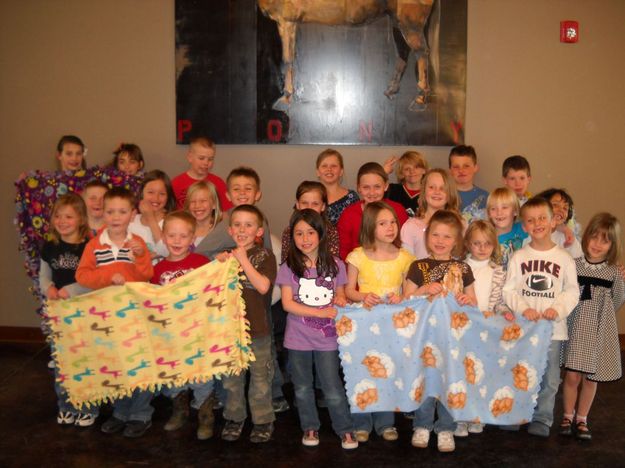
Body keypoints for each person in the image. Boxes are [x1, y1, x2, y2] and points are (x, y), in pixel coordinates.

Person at [76, 187, 154, 438]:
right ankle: (120, 411)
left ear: (132, 214)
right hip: (107, 315)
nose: (116, 216)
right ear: (103, 213)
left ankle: (140, 413)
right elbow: (82, 275)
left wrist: (141, 258)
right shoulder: (94, 245)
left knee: (139, 363)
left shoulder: (137, 243)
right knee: (117, 363)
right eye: (110, 211)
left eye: (122, 211)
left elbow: (146, 276)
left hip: (134, 314)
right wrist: (109, 275)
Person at [276, 209, 358, 450]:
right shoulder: (289, 266)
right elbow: (287, 304)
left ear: (321, 235)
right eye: (299, 233)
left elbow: (340, 294)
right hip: (297, 338)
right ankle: (309, 426)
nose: (305, 238)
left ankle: (345, 429)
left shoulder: (335, 264)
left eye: (310, 232)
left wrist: (341, 301)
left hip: (328, 338)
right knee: (302, 387)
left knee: (332, 386)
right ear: (292, 238)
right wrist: (320, 312)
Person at [502, 197, 579, 438]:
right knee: (521, 372)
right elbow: (508, 290)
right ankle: (516, 414)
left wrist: (557, 309)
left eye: (542, 218)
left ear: (553, 221)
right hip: (525, 328)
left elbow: (572, 290)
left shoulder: (564, 258)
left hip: (552, 330)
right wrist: (524, 309)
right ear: (523, 226)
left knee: (549, 377)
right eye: (531, 220)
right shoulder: (519, 257)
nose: (537, 224)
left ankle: (543, 418)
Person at [403, 210, 477, 453]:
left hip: (453, 336)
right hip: (425, 335)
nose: (440, 240)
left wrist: (466, 300)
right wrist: (423, 288)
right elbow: (406, 301)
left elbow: (473, 302)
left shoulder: (463, 268)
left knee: (450, 379)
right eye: (435, 234)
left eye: (447, 236)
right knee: (426, 379)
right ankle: (422, 424)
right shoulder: (417, 266)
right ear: (427, 237)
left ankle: (446, 427)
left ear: (456, 241)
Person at [345, 201, 414, 443]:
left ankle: (385, 423)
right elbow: (348, 291)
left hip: (392, 326)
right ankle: (362, 422)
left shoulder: (405, 257)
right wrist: (364, 296)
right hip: (364, 326)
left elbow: (410, 293)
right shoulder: (358, 256)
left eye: (393, 222)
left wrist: (402, 297)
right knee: (363, 371)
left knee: (387, 372)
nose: (390, 227)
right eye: (382, 223)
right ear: (370, 227)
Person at [151, 211, 216, 440]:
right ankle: (180, 409)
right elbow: (150, 301)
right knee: (175, 374)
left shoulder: (202, 263)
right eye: (172, 236)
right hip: (171, 336)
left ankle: (205, 413)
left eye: (183, 236)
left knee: (201, 376)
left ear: (192, 239)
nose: (177, 241)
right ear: (164, 237)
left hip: (198, 334)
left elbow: (214, 291)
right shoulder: (157, 270)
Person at [560, 213, 625, 441]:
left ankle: (582, 418)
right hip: (575, 329)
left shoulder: (614, 272)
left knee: (591, 378)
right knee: (572, 376)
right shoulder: (573, 265)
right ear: (586, 237)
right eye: (594, 237)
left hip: (598, 331)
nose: (598, 244)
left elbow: (617, 299)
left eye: (605, 240)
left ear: (613, 244)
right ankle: (568, 414)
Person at [219, 205, 277, 443]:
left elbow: (263, 286)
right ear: (230, 230)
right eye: (238, 225)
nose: (243, 229)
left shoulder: (265, 256)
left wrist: (242, 259)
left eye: (249, 225)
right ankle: (234, 417)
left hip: (258, 331)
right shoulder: (223, 257)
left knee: (260, 379)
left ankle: (263, 420)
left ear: (259, 231)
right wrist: (219, 263)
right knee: (232, 380)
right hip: (230, 331)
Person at [40, 193, 96, 426]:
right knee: (62, 362)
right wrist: (49, 288)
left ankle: (87, 407)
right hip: (58, 315)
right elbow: (43, 274)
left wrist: (70, 290)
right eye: (58, 216)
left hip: (82, 314)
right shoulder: (50, 246)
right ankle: (66, 405)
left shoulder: (89, 247)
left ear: (81, 219)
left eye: (69, 217)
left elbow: (92, 279)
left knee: (84, 362)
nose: (62, 221)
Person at [454, 220, 513, 438]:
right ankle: (460, 417)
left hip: (487, 330)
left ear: (494, 245)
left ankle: (476, 414)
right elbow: (454, 296)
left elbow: (498, 300)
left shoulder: (498, 271)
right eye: (477, 243)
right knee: (462, 373)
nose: (482, 248)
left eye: (487, 244)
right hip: (463, 330)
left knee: (481, 374)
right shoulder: (458, 268)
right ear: (468, 244)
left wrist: (505, 310)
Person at [337, 162, 408, 260]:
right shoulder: (349, 215)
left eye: (377, 187)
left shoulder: (398, 210)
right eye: (366, 187)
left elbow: (404, 245)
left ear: (386, 186)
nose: (372, 192)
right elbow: (344, 252)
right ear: (359, 188)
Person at [401, 168, 461, 259]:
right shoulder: (411, 226)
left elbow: (461, 259)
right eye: (431, 187)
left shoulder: (460, 225)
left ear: (450, 193)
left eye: (442, 188)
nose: (437, 192)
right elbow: (405, 263)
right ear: (423, 190)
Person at [281, 181, 339, 263]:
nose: (309, 208)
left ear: (323, 206)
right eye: (304, 203)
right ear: (297, 204)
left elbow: (334, 263)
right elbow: (286, 264)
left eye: (315, 204)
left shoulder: (331, 232)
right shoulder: (289, 232)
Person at [171, 136, 232, 211]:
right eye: (201, 158)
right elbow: (170, 212)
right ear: (190, 157)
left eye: (210, 159)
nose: (206, 163)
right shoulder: (176, 183)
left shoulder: (218, 183)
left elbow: (225, 212)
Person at [128, 170, 175, 263]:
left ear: (168, 197)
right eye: (150, 192)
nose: (156, 198)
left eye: (162, 194)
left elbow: (167, 252)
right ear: (142, 193)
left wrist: (151, 219)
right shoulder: (131, 221)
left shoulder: (173, 222)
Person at [486, 187, 528, 269]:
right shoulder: (486, 236)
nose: (499, 212)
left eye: (504, 207)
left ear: (515, 211)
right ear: (489, 214)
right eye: (493, 209)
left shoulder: (523, 228)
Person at [315, 148, 359, 225]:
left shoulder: (352, 198)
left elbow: (358, 227)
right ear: (318, 172)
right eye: (324, 166)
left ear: (341, 171)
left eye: (334, 166)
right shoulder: (308, 196)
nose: (329, 169)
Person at [535, 188, 582, 258]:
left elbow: (578, 257)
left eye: (565, 208)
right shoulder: (531, 233)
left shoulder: (567, 238)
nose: (561, 210)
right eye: (555, 205)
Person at [449, 145, 489, 223]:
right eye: (456, 167)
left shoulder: (486, 197)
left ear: (476, 168)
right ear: (450, 170)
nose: (461, 170)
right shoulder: (443, 195)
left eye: (466, 166)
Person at [384, 150, 428, 217]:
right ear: (401, 173)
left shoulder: (430, 193)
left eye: (416, 167)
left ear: (424, 170)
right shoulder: (392, 190)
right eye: (407, 169)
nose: (412, 171)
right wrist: (384, 172)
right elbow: (373, 191)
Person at [184, 181, 222, 247]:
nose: (197, 206)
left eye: (203, 201)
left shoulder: (221, 231)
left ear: (214, 204)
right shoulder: (183, 229)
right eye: (193, 201)